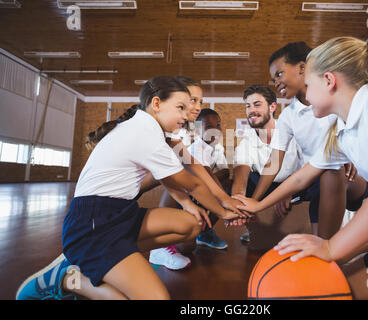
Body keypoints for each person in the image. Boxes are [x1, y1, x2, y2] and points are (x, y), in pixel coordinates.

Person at [234, 37, 368, 299]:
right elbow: (303, 176)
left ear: (329, 80)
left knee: (343, 290)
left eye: (309, 84)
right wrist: (257, 205)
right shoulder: (343, 130)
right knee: (338, 284)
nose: (306, 93)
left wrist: (330, 246)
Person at [16, 76, 246, 300]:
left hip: (119, 212)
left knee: (191, 225)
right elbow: (192, 181)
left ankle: (99, 261)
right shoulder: (145, 134)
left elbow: (178, 173)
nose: (186, 115)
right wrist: (223, 211)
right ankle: (69, 279)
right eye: (181, 107)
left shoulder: (150, 128)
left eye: (192, 106)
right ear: (156, 103)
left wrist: (190, 203)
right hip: (93, 223)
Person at [251, 41, 368, 239]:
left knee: (332, 170)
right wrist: (255, 202)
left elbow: (354, 145)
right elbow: (274, 161)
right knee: (323, 175)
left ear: (302, 68)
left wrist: (351, 160)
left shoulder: (336, 102)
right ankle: (327, 245)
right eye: (273, 79)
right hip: (311, 181)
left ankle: (328, 245)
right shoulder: (288, 116)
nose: (276, 82)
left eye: (279, 74)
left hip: (347, 179)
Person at [149, 77, 244, 270]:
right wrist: (223, 210)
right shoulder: (158, 133)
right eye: (192, 100)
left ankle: (170, 240)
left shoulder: (173, 138)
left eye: (200, 101)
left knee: (190, 239)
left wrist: (224, 202)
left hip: (121, 206)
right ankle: (159, 245)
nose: (197, 106)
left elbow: (198, 171)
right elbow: (194, 181)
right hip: (105, 206)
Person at [232, 84, 303, 243]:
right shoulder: (246, 142)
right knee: (249, 177)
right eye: (248, 106)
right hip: (265, 188)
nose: (251, 110)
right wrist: (237, 206)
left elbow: (310, 166)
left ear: (272, 107)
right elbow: (240, 180)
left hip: (297, 184)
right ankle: (250, 224)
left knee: (322, 175)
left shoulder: (292, 129)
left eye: (257, 104)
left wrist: (286, 191)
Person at [187, 108, 231, 250]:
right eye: (209, 128)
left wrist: (208, 180)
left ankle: (205, 232)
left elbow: (225, 172)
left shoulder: (217, 147)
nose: (216, 130)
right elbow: (206, 174)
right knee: (185, 247)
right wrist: (208, 181)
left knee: (229, 184)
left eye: (218, 125)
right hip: (186, 193)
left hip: (201, 187)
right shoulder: (196, 149)